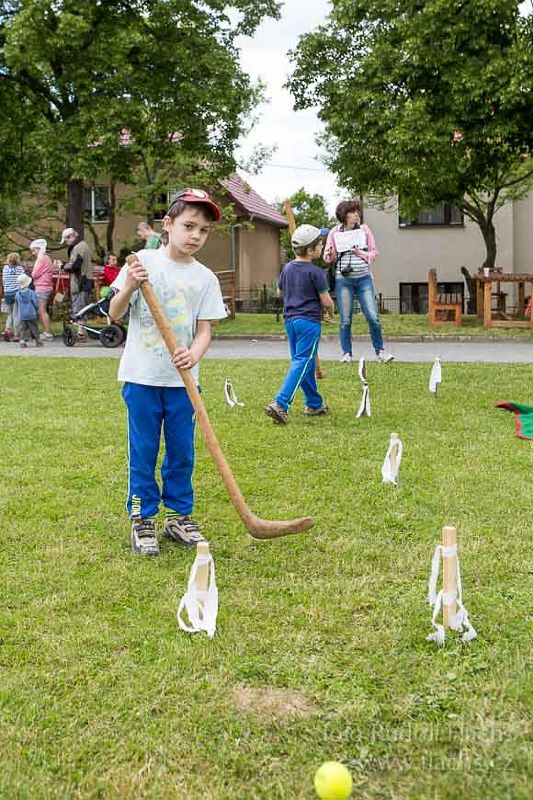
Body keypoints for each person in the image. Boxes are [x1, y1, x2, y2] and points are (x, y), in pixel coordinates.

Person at [109, 188, 227, 557]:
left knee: (181, 451)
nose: (195, 235)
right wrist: (129, 284)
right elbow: (114, 314)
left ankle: (179, 516)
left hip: (183, 383)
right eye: (189, 226)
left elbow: (205, 330)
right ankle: (142, 519)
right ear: (168, 224)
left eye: (203, 231)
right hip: (142, 378)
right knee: (143, 449)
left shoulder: (205, 278)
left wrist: (193, 354)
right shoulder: (142, 262)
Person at [265, 224, 334, 425]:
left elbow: (279, 293)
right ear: (311, 249)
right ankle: (280, 403)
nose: (321, 246)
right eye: (320, 244)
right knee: (302, 362)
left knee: (305, 362)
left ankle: (314, 403)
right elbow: (327, 301)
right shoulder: (316, 272)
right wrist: (329, 313)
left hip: (291, 322)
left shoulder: (287, 268)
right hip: (309, 322)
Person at [324, 199, 394, 363]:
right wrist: (330, 252)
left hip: (364, 279)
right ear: (344, 216)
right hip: (344, 280)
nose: (356, 215)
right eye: (352, 212)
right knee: (345, 319)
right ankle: (346, 353)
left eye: (357, 212)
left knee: (372, 316)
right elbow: (328, 259)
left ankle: (381, 352)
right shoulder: (335, 232)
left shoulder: (364, 230)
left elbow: (374, 254)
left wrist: (359, 253)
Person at [60, 227, 93, 338]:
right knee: (82, 307)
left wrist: (63, 266)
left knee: (79, 309)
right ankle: (81, 332)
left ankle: (80, 333)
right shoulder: (84, 245)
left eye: (66, 240)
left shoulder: (78, 248)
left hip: (80, 282)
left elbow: (74, 265)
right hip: (85, 280)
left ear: (71, 237)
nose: (67, 242)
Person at [30, 238, 54, 340]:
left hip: (42, 287)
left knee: (42, 310)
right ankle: (46, 332)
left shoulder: (41, 259)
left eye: (34, 250)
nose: (33, 253)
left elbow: (34, 274)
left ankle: (48, 333)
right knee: (42, 310)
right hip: (46, 286)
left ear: (39, 248)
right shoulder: (47, 258)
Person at [15, 273, 42, 348]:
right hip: (31, 314)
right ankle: (38, 340)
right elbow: (36, 303)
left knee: (22, 328)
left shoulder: (17, 294)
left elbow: (17, 303)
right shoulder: (31, 293)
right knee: (34, 327)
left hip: (22, 315)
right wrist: (37, 309)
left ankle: (23, 341)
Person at [2, 252, 24, 341]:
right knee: (16, 314)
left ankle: (7, 330)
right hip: (17, 293)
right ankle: (16, 334)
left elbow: (4, 281)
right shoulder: (20, 269)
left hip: (7, 293)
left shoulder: (5, 268)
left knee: (9, 314)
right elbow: (22, 281)